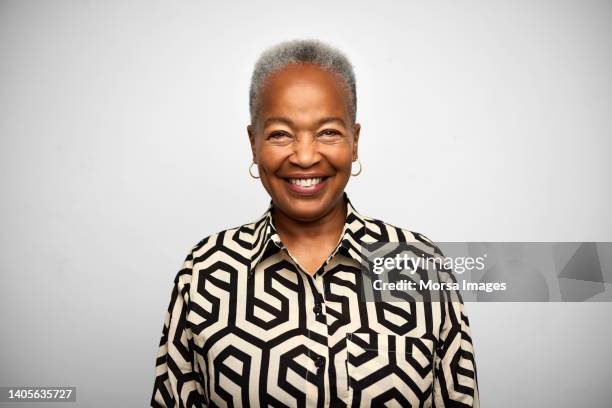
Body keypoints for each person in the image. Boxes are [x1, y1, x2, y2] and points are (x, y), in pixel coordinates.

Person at [151, 39, 479, 407]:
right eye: (280, 134)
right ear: (253, 143)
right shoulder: (206, 269)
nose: (305, 156)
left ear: (354, 141)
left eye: (327, 132)